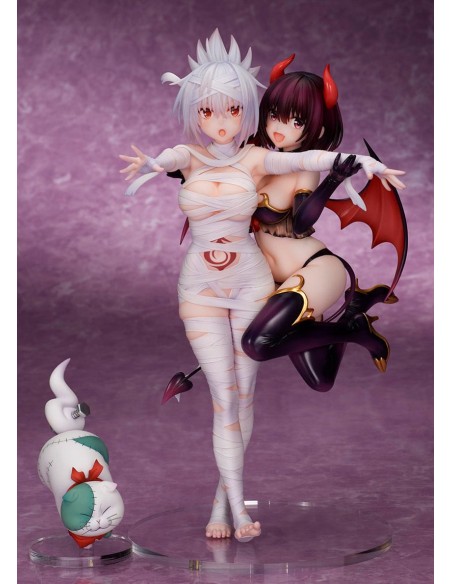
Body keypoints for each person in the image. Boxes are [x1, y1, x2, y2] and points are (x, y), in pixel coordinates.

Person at [120, 30, 405, 542]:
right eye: (208, 110)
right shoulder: (195, 154)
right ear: (193, 111)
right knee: (231, 398)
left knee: (243, 393)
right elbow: (169, 158)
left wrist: (361, 165)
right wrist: (151, 166)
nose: (221, 121)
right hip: (202, 288)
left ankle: (229, 507)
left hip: (271, 276)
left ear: (246, 110)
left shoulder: (256, 160)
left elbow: (309, 161)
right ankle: (229, 508)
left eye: (232, 109)